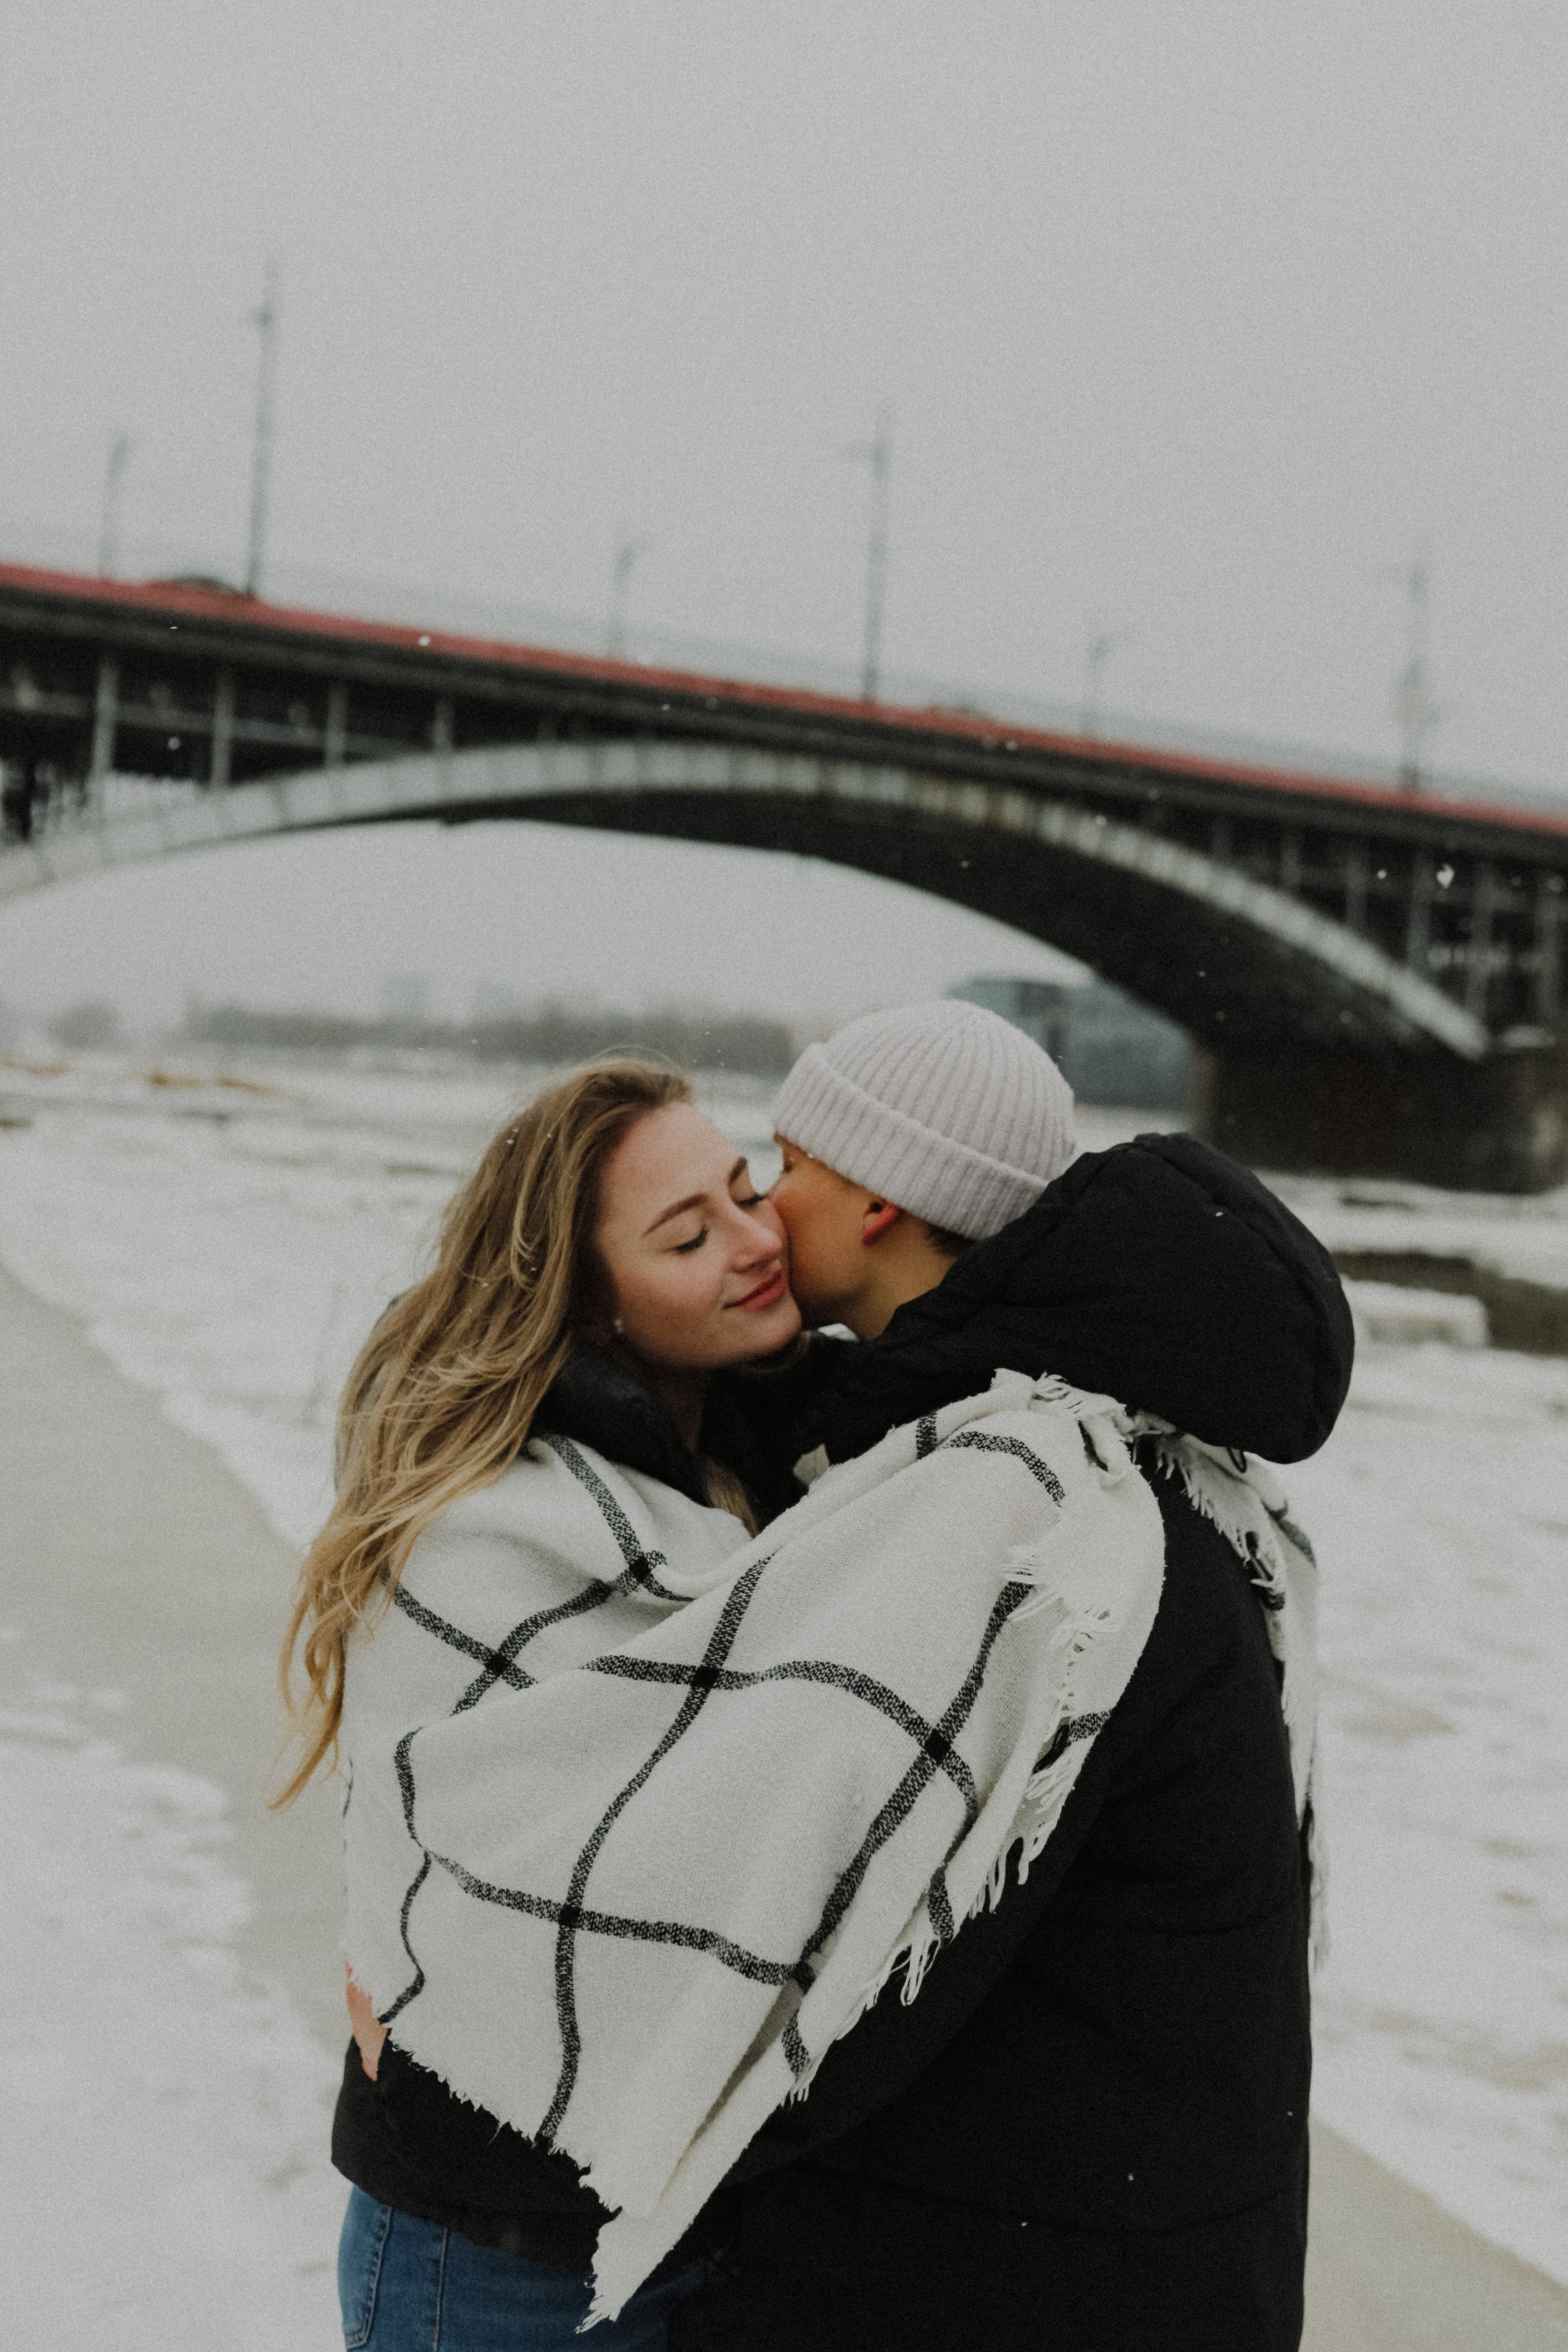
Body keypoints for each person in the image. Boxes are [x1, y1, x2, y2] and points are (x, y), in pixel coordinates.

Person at [723, 997, 1353, 2352]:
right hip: (1127, 2243)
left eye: (790, 1164)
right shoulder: (1105, 1445)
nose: (766, 1206)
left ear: (879, 1199)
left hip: (1020, 2281)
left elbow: (867, 1965)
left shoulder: (1017, 1505)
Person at [278, 1058, 804, 2350]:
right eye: (687, 1235)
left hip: (708, 2207)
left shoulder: (783, 1475)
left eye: (747, 1194)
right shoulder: (484, 1531)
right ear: (591, 1307)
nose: (753, 1243)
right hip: (494, 2241)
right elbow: (436, 1850)